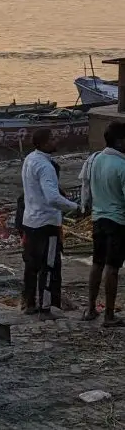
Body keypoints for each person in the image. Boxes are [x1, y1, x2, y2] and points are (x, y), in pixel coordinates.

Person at [20, 128, 78, 317]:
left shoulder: (30, 159)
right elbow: (52, 198)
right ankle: (46, 307)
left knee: (31, 265)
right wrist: (74, 206)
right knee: (49, 265)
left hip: (30, 221)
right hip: (47, 224)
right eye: (53, 139)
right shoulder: (46, 166)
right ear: (44, 143)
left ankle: (29, 303)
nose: (56, 140)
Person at [82, 121, 125, 326]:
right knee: (112, 268)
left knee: (97, 264)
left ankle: (90, 308)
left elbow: (86, 189)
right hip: (117, 221)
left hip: (98, 219)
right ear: (119, 142)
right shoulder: (122, 166)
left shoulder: (94, 159)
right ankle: (109, 314)